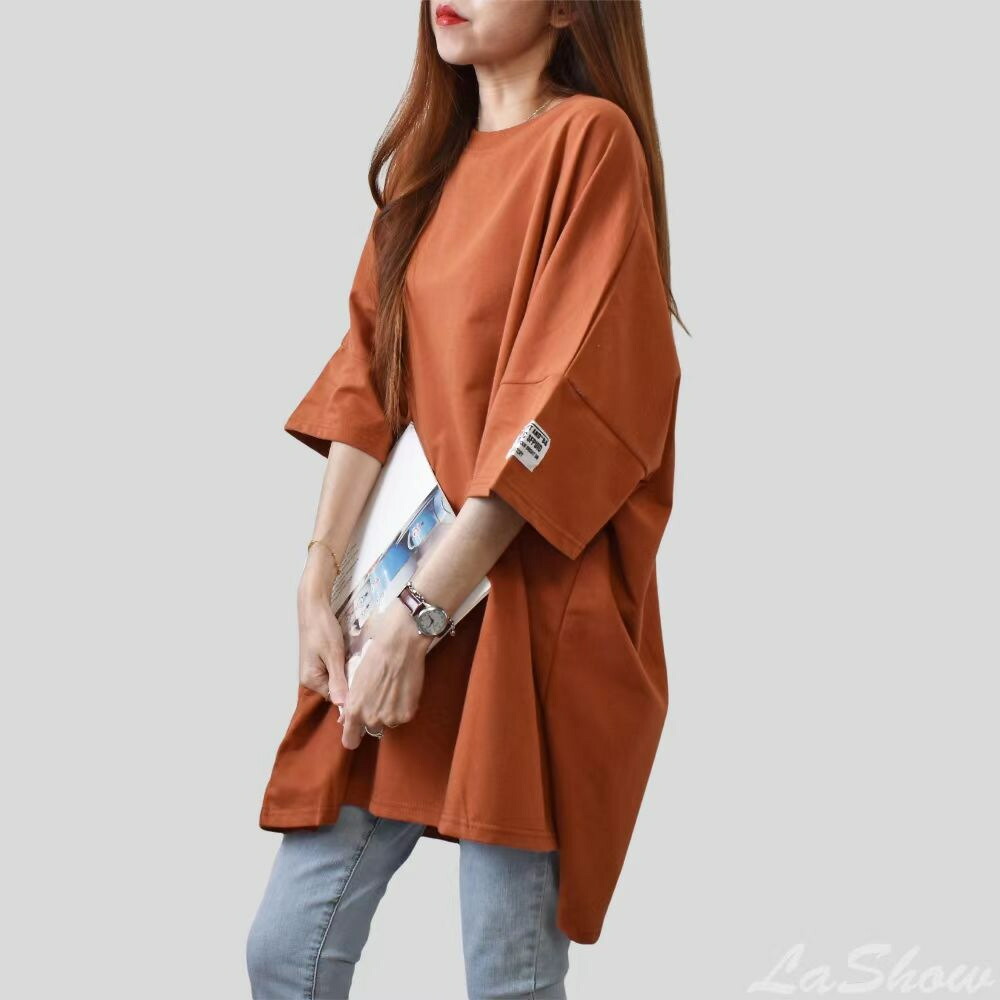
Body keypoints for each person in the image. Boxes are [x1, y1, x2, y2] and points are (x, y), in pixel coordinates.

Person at [246, 2, 685, 997]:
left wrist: (423, 611)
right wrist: (317, 576)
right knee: (286, 948)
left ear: (567, 7)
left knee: (505, 973)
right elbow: (367, 379)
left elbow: (568, 400)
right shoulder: (425, 167)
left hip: (524, 615)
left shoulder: (588, 142)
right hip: (401, 598)